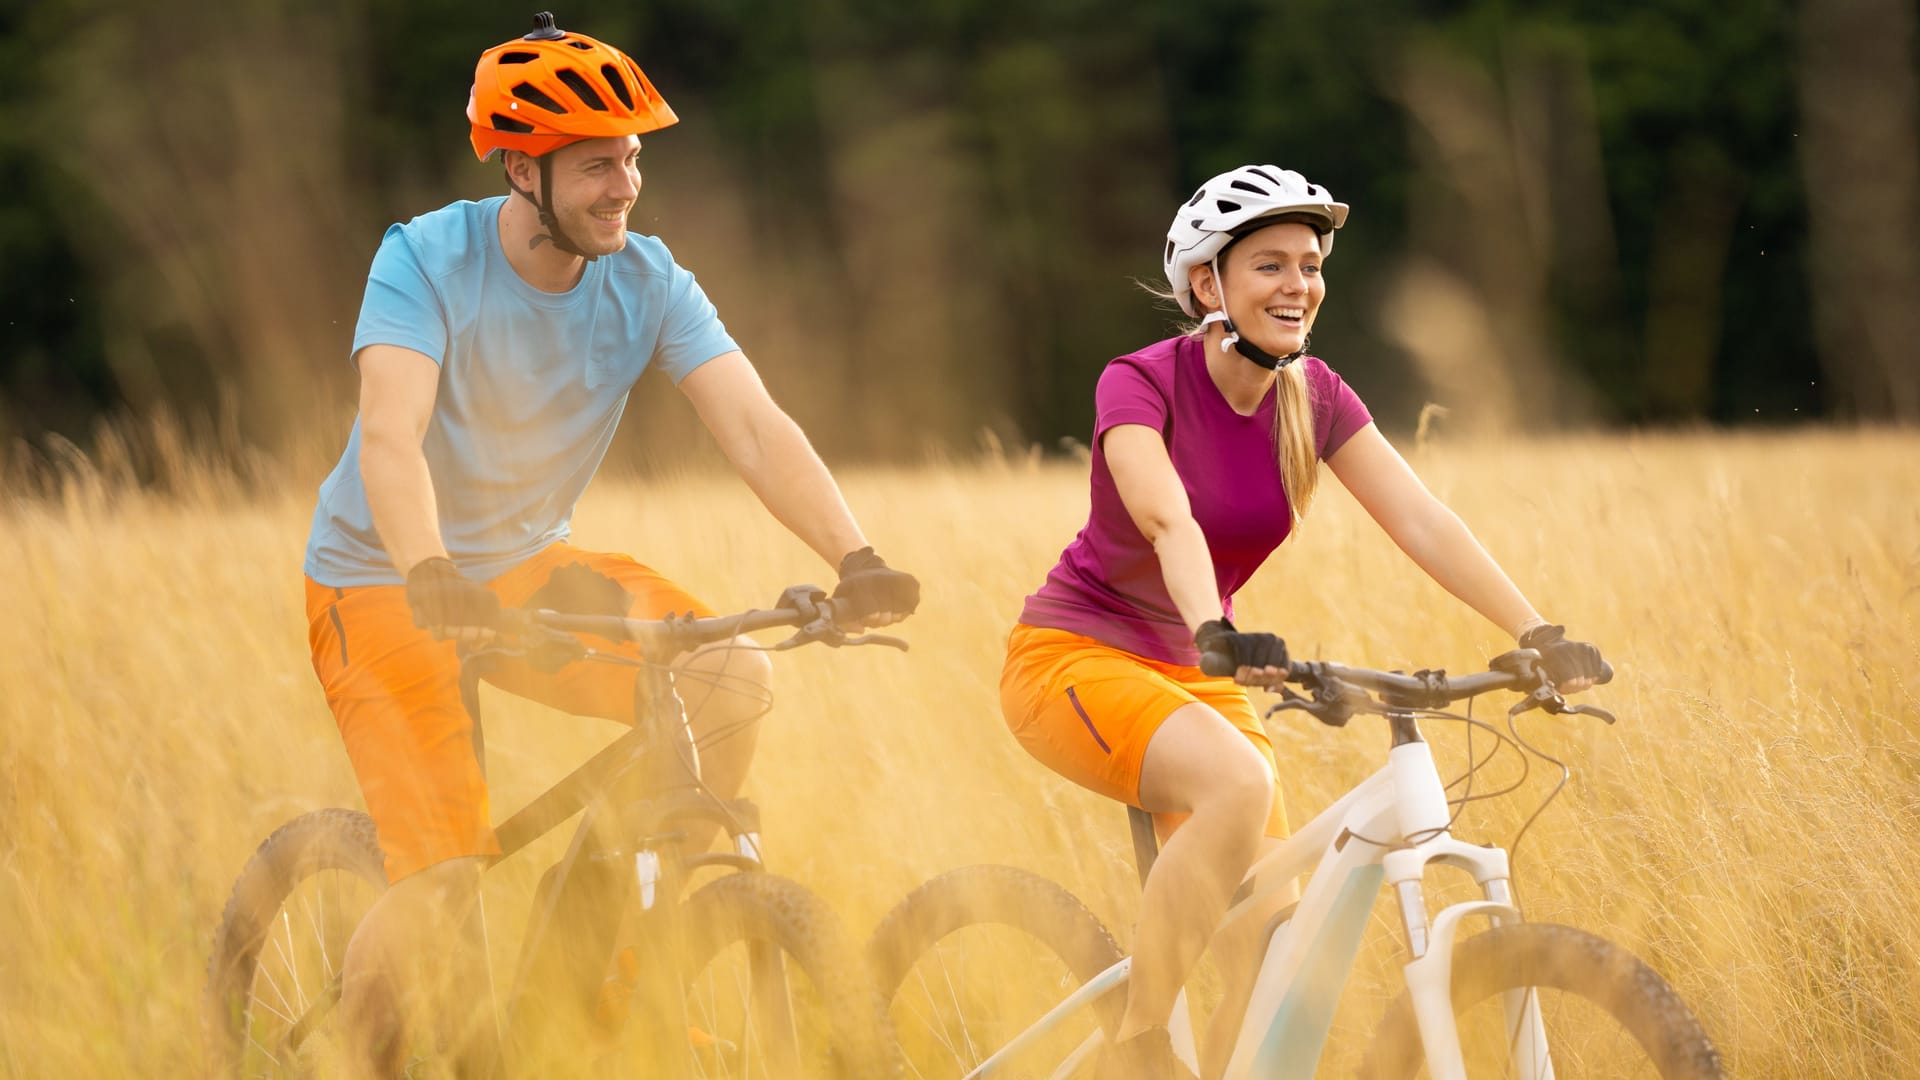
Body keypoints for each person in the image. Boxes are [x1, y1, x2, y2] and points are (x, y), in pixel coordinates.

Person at [300, 12, 920, 1072]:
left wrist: (853, 558)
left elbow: (754, 427)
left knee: (726, 675)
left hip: (532, 566)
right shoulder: (423, 260)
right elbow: (391, 440)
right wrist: (429, 572)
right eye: (595, 164)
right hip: (385, 580)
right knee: (443, 882)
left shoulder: (650, 278)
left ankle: (608, 966)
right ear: (519, 169)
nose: (624, 184)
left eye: (632, 157)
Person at [997, 164, 1604, 1080]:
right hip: (1073, 659)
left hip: (1200, 671)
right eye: (1269, 266)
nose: (1299, 285)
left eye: (1311, 265)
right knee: (1239, 787)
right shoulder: (1139, 382)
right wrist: (1216, 631)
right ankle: (1138, 1047)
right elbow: (1169, 519)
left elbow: (1421, 518)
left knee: (1271, 934)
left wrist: (1537, 631)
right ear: (1209, 283)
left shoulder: (1313, 396)